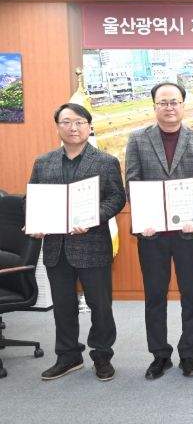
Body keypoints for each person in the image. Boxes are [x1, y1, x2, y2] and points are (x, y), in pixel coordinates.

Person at [28, 103, 125, 381]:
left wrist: (94, 217)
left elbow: (117, 198)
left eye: (80, 122)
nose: (73, 128)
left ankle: (102, 355)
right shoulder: (43, 162)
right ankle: (68, 356)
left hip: (92, 244)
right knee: (62, 306)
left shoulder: (106, 161)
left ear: (89, 126)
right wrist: (34, 222)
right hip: (56, 248)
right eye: (67, 122)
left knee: (100, 306)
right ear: (57, 127)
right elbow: (32, 199)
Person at [125, 82, 193, 379]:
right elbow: (132, 181)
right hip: (152, 234)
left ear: (183, 105)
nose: (169, 107)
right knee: (155, 296)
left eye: (174, 102)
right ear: (154, 106)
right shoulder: (137, 139)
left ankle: (188, 354)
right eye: (163, 102)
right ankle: (160, 355)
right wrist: (142, 218)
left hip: (188, 233)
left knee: (191, 295)